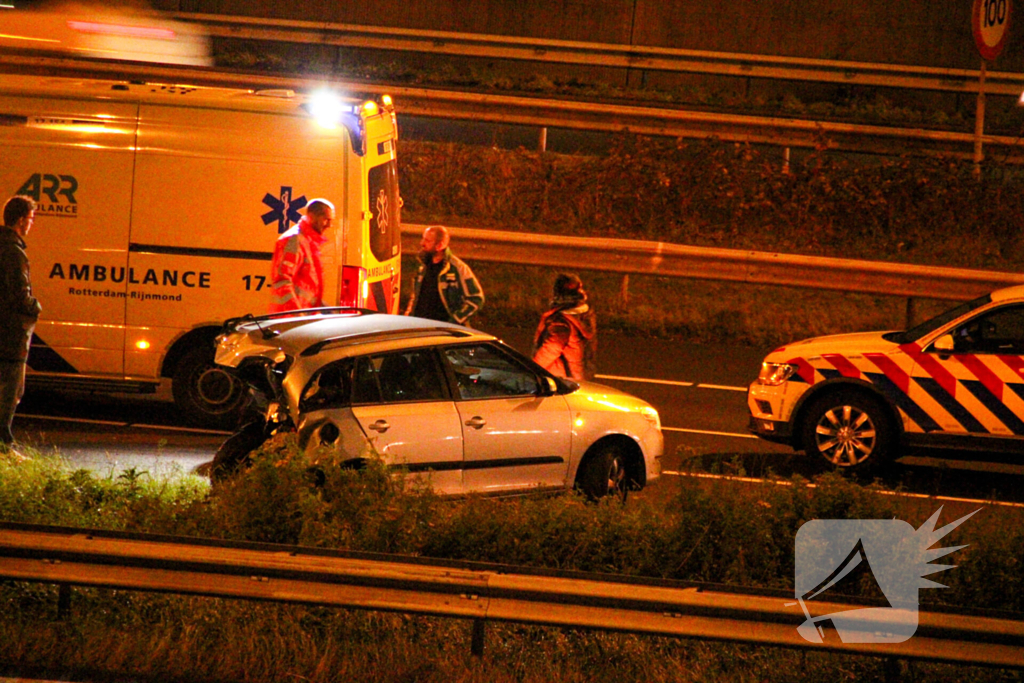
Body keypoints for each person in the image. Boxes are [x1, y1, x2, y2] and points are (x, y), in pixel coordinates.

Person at [0, 195, 41, 457]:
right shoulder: (14, 253)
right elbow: (20, 295)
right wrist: (35, 307)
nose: (31, 224)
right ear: (20, 220)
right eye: (31, 219)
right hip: (11, 336)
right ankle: (4, 446)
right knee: (11, 392)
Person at [404, 225, 484, 325]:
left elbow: (476, 299)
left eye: (427, 241)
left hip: (443, 333)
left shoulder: (458, 269)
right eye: (423, 239)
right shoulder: (423, 266)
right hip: (421, 328)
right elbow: (416, 296)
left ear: (440, 245)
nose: (422, 243)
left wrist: (455, 321)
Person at [269, 198, 335, 313]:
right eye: (326, 219)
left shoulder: (308, 241)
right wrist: (297, 315)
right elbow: (282, 281)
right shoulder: (294, 240)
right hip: (289, 320)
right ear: (311, 216)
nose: (329, 225)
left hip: (301, 318)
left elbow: (307, 288)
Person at [533, 273, 597, 381]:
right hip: (582, 373)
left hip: (561, 379)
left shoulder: (561, 322)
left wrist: (532, 371)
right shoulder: (584, 315)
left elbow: (550, 350)